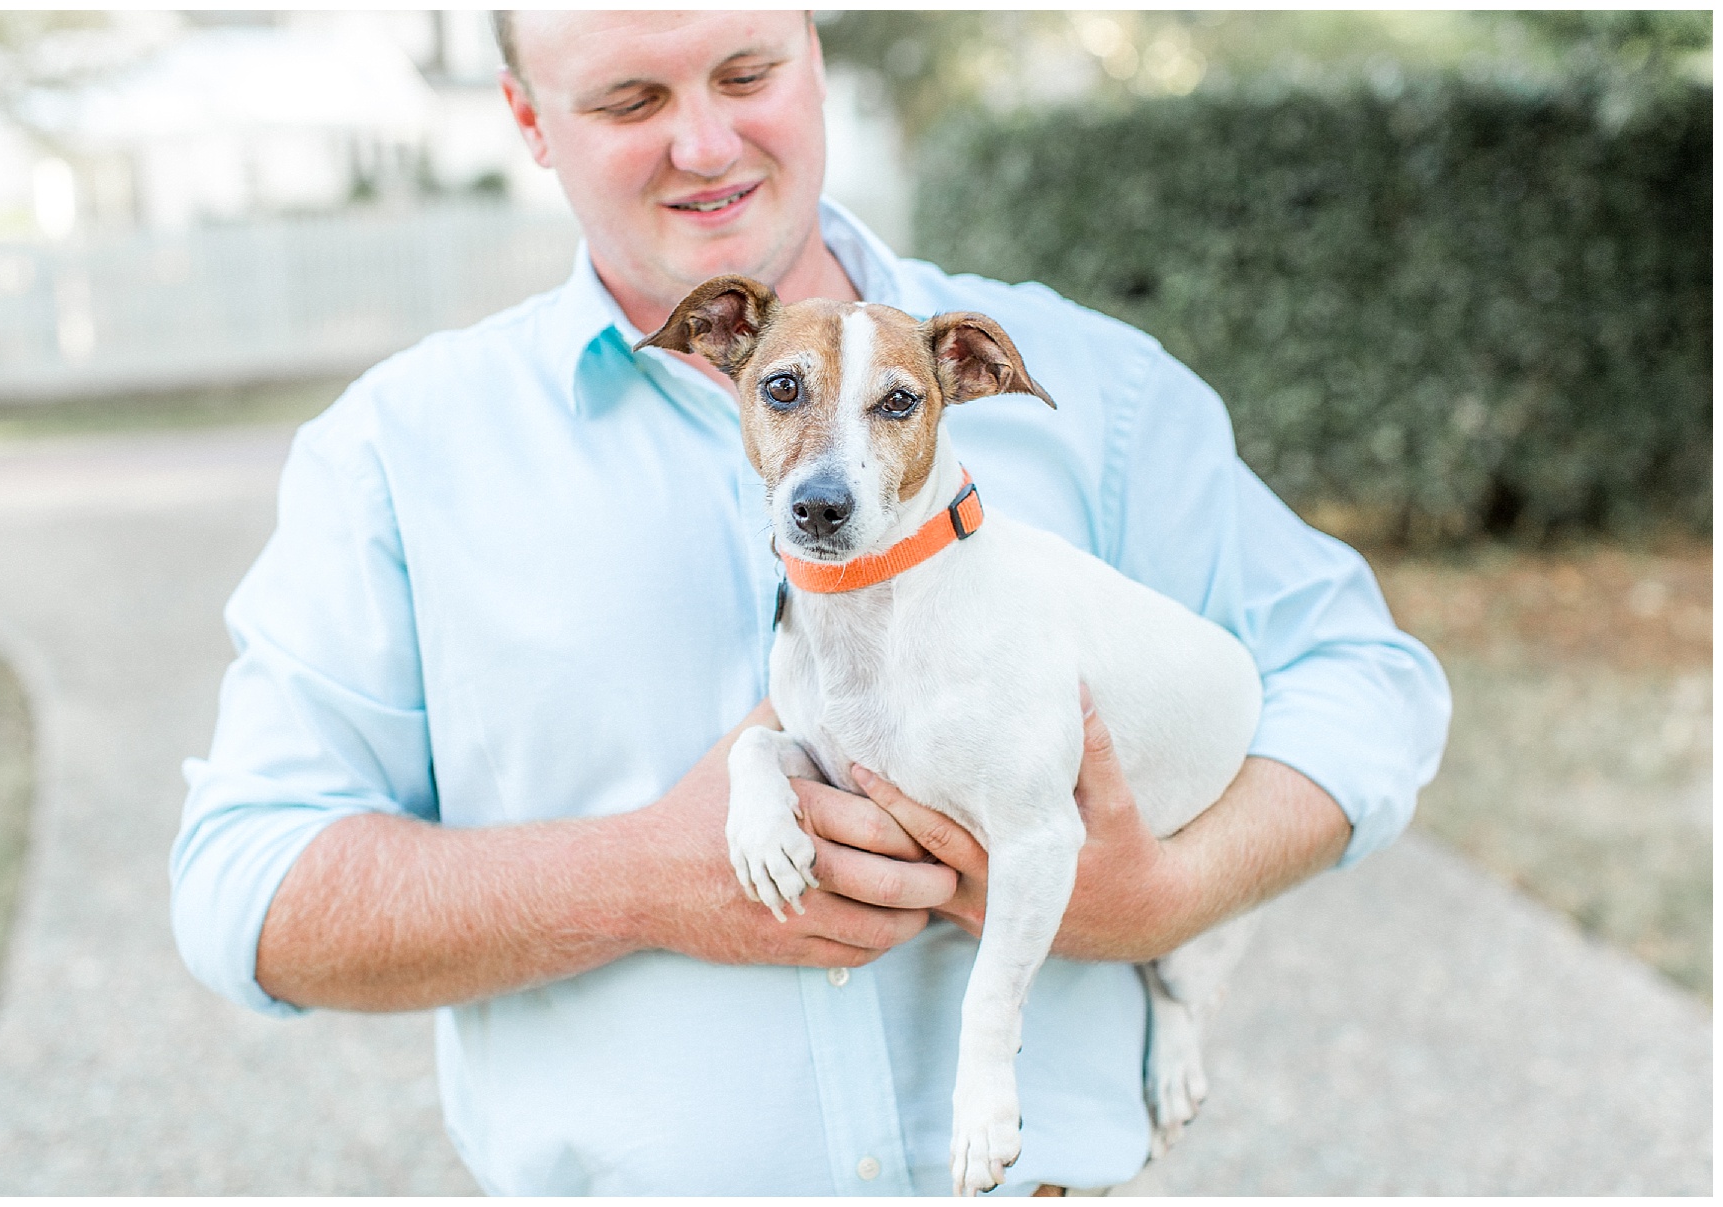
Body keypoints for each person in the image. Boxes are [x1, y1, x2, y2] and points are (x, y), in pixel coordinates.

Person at [171, 11, 1450, 1196]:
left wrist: (1165, 892)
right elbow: (247, 884)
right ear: (524, 118)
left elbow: (1369, 678)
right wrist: (633, 880)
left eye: (747, 74)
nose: (707, 144)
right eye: (629, 97)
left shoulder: (1092, 387)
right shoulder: (397, 453)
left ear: (815, 56)